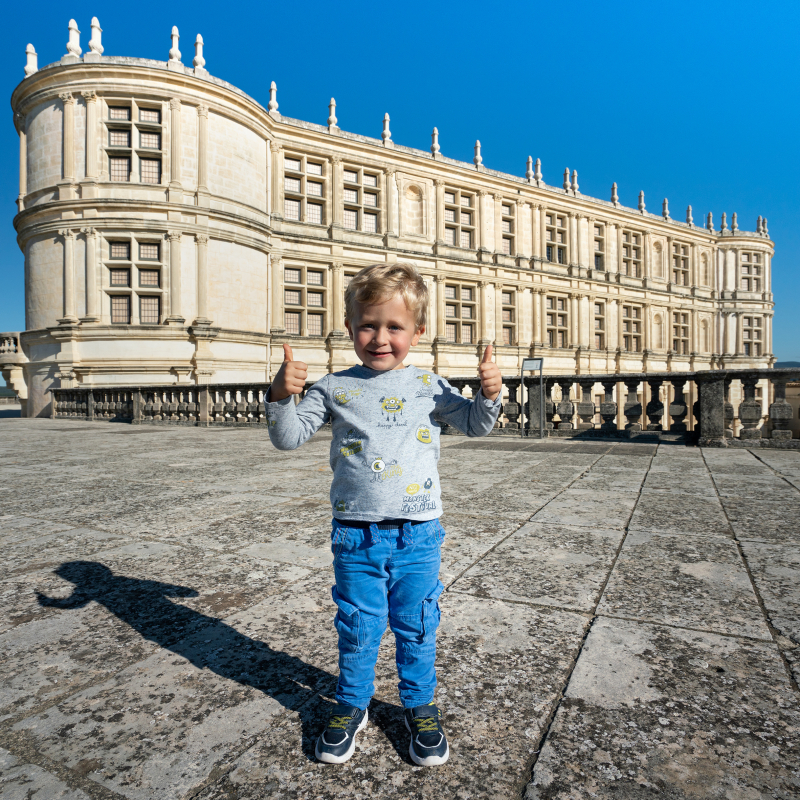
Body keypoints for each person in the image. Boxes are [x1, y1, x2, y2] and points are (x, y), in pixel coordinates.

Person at [265, 263, 502, 766]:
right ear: (350, 329)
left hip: (419, 535)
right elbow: (288, 437)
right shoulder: (331, 387)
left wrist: (489, 394)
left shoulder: (429, 385)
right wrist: (280, 394)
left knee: (417, 625)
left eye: (394, 326)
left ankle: (419, 705)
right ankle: (352, 703)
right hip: (356, 535)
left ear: (417, 332)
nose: (379, 337)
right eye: (368, 325)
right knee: (357, 626)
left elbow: (476, 426)